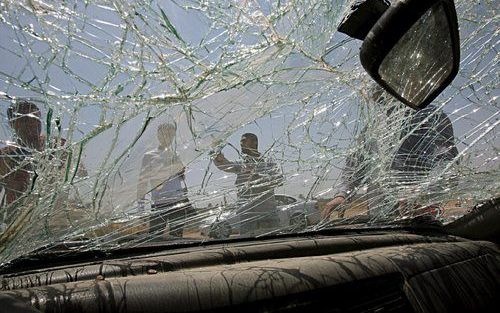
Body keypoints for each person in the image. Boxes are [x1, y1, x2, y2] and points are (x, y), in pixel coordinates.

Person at [322, 103, 458, 220]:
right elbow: (356, 165)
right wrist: (343, 195)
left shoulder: (430, 117)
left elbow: (447, 165)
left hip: (421, 219)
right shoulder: (373, 125)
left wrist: (422, 193)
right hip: (377, 218)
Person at [213, 133, 283, 235]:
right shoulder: (241, 164)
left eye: (244, 141)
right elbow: (225, 165)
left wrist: (257, 175)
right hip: (247, 216)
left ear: (254, 143)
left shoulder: (268, 162)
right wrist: (217, 157)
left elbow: (279, 179)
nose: (241, 143)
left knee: (272, 244)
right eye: (241, 141)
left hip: (267, 214)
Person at [137, 123, 193, 239]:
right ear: (159, 135)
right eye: (166, 134)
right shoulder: (149, 156)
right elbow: (142, 182)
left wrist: (181, 170)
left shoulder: (175, 154)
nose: (169, 137)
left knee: (176, 239)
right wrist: (140, 209)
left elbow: (180, 178)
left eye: (172, 135)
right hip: (159, 204)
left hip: (178, 203)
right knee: (155, 239)